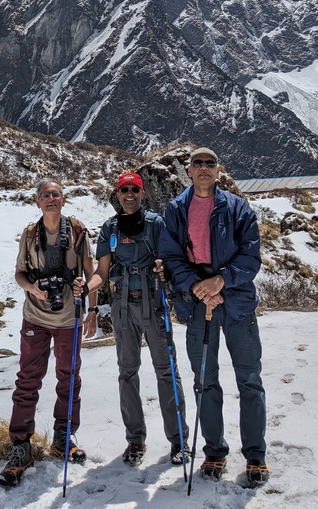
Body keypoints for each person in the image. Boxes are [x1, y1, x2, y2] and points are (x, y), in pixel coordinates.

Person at [159, 147, 268, 487]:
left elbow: (251, 257)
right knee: (205, 382)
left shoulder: (237, 208)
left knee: (250, 380)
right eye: (197, 163)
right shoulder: (176, 210)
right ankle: (215, 452)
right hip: (197, 306)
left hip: (236, 304)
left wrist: (220, 281)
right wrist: (199, 288)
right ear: (188, 171)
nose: (203, 168)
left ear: (218, 170)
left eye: (210, 163)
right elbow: (171, 257)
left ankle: (255, 456)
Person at [74, 171, 189, 467]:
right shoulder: (110, 228)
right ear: (118, 194)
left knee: (166, 371)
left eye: (134, 190)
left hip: (153, 303)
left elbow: (171, 259)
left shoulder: (156, 224)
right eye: (124, 190)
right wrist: (87, 288)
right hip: (124, 307)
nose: (129, 195)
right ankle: (135, 441)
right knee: (127, 373)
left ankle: (178, 441)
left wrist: (165, 268)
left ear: (142, 194)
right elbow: (101, 272)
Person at [0, 177, 97, 488]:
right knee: (28, 380)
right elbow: (19, 273)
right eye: (45, 195)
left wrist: (91, 309)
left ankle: (63, 438)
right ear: (37, 202)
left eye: (56, 194)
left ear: (64, 199)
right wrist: (33, 289)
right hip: (35, 318)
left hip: (69, 318)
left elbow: (92, 273)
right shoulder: (29, 235)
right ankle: (21, 446)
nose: (51, 199)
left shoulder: (78, 231)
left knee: (69, 378)